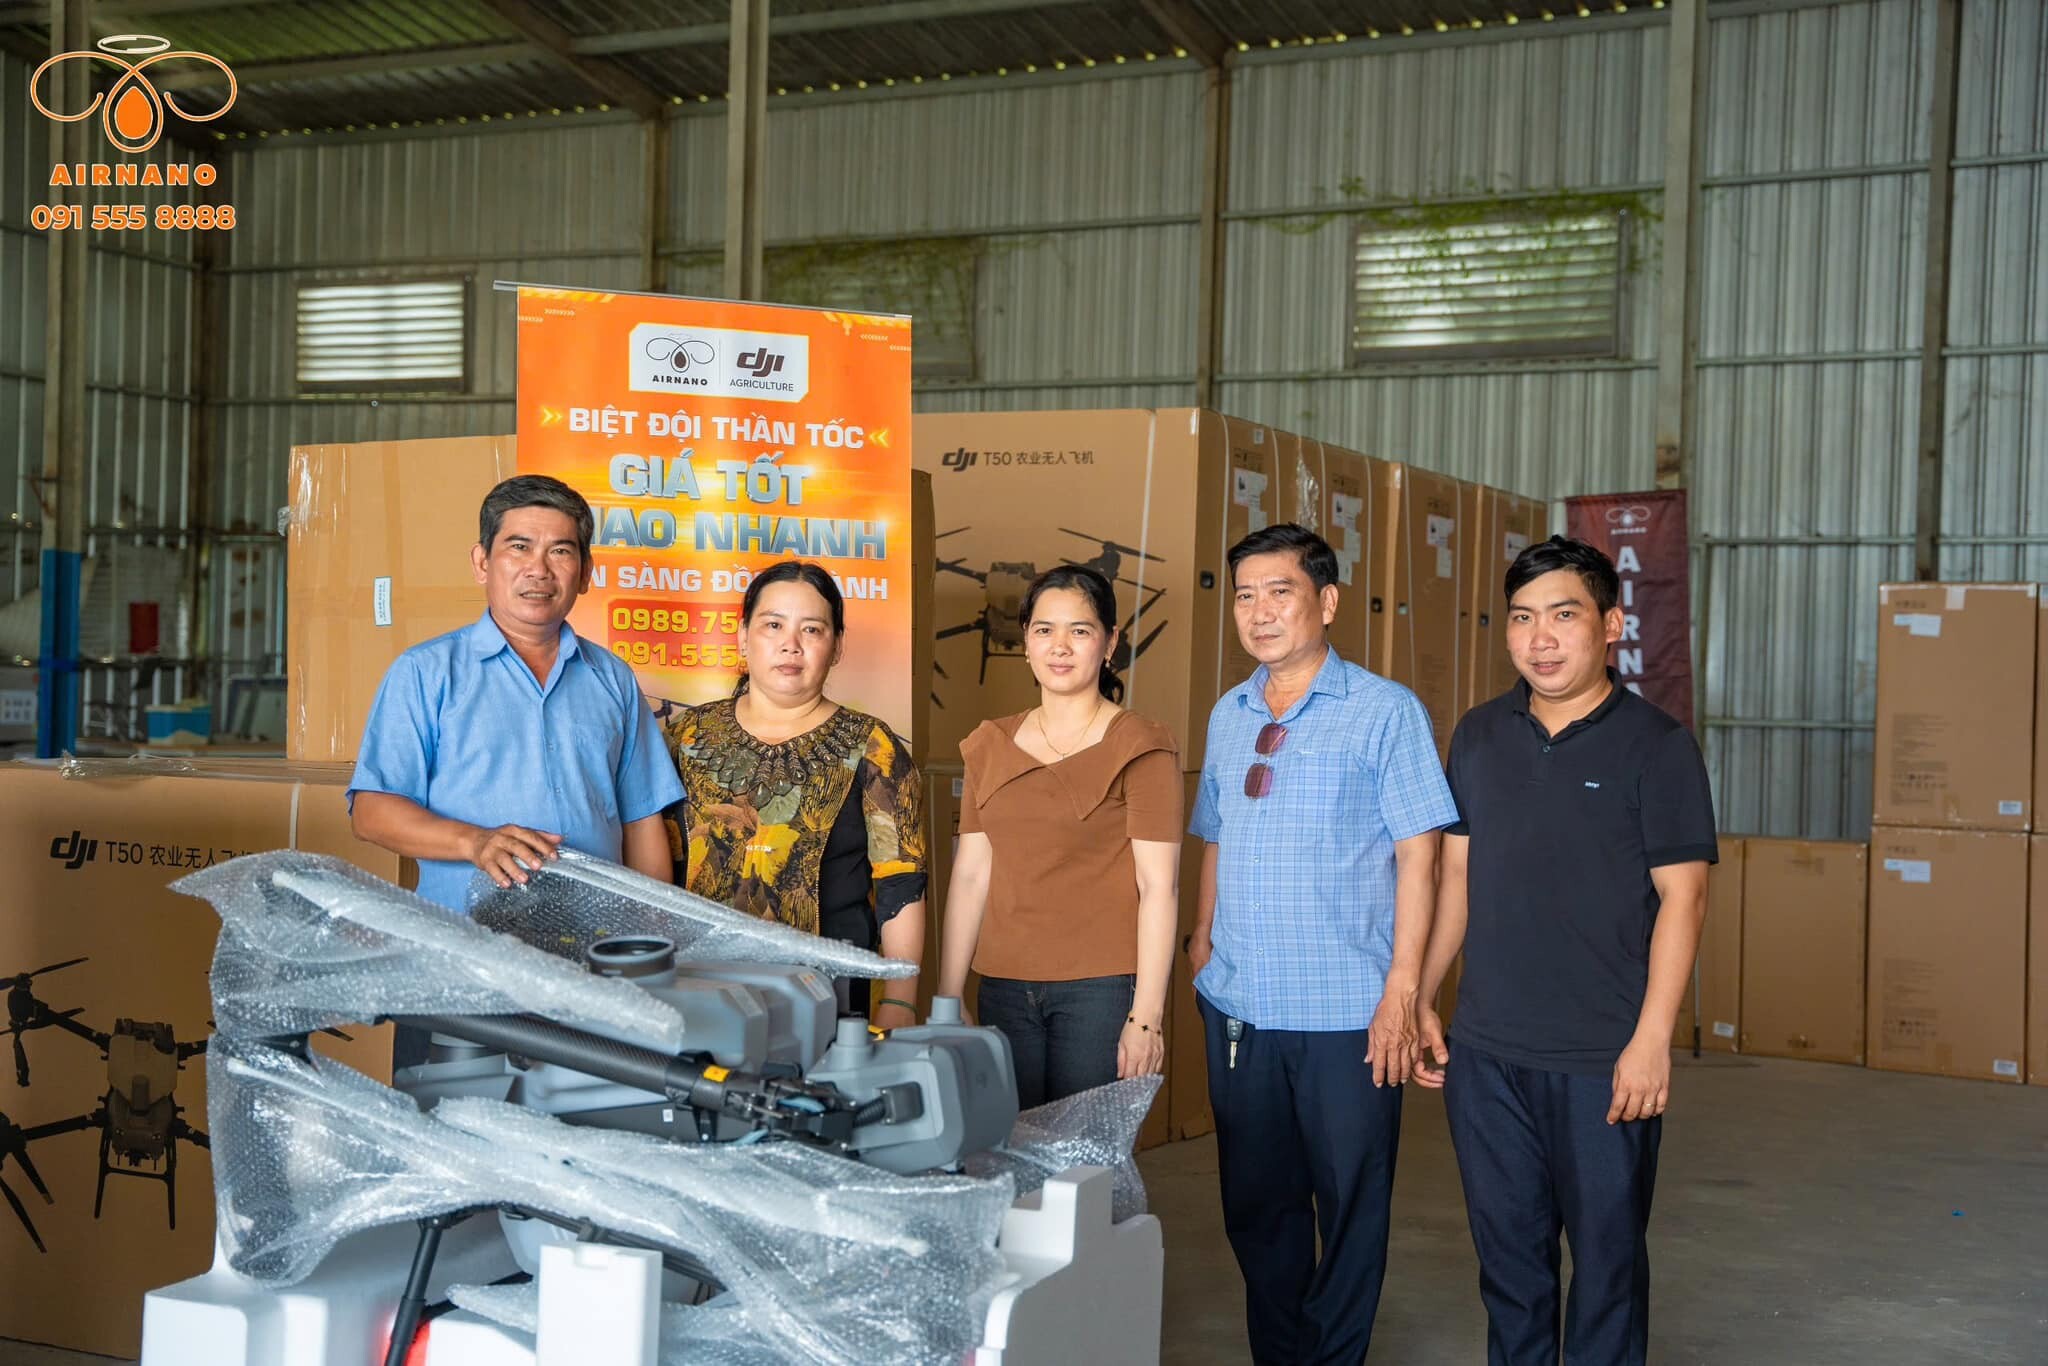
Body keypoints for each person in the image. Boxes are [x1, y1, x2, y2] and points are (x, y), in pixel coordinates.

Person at [1415, 535, 1717, 1366]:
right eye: (1521, 618)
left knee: (1607, 1271)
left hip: (1602, 1060)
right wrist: (1424, 996)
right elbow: (1456, 879)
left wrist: (1651, 1041)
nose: (1539, 639)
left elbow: (1684, 899)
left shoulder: (1657, 745)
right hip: (1487, 1056)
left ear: (1611, 625)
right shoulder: (1480, 735)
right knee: (1510, 1270)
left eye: (1562, 615)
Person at [1186, 522, 1458, 1365]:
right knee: (1257, 1210)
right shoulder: (1228, 714)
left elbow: (1421, 858)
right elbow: (1216, 835)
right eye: (1245, 596)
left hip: (1349, 1013)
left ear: (1327, 602)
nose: (1260, 612)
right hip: (1241, 1007)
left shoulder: (1385, 711)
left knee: (1349, 1210)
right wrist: (1203, 942)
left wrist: (1404, 991)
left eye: (1281, 592)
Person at [348, 473, 681, 908]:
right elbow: (371, 811)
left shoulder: (612, 677)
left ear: (585, 573)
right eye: (519, 547)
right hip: (465, 934)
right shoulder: (425, 672)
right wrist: (474, 841)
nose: (538, 570)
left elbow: (641, 818)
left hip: (594, 935)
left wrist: (651, 930)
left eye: (560, 551)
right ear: (482, 562)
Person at [934, 565, 1181, 1109]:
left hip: (1100, 992)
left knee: (1085, 1149)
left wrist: (1147, 1017)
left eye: (1080, 630)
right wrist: (949, 994)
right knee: (1009, 1141)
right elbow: (971, 875)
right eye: (1044, 630)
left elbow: (1158, 887)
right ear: (1026, 641)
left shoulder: (1141, 746)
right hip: (1002, 986)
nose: (1060, 646)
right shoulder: (989, 745)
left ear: (1110, 643)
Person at [662, 560, 927, 1028]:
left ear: (837, 646)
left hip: (830, 999)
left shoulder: (874, 748)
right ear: (742, 637)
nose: (791, 644)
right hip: (696, 991)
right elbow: (653, 870)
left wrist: (900, 1002)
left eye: (812, 629)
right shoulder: (685, 737)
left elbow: (900, 883)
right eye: (773, 625)